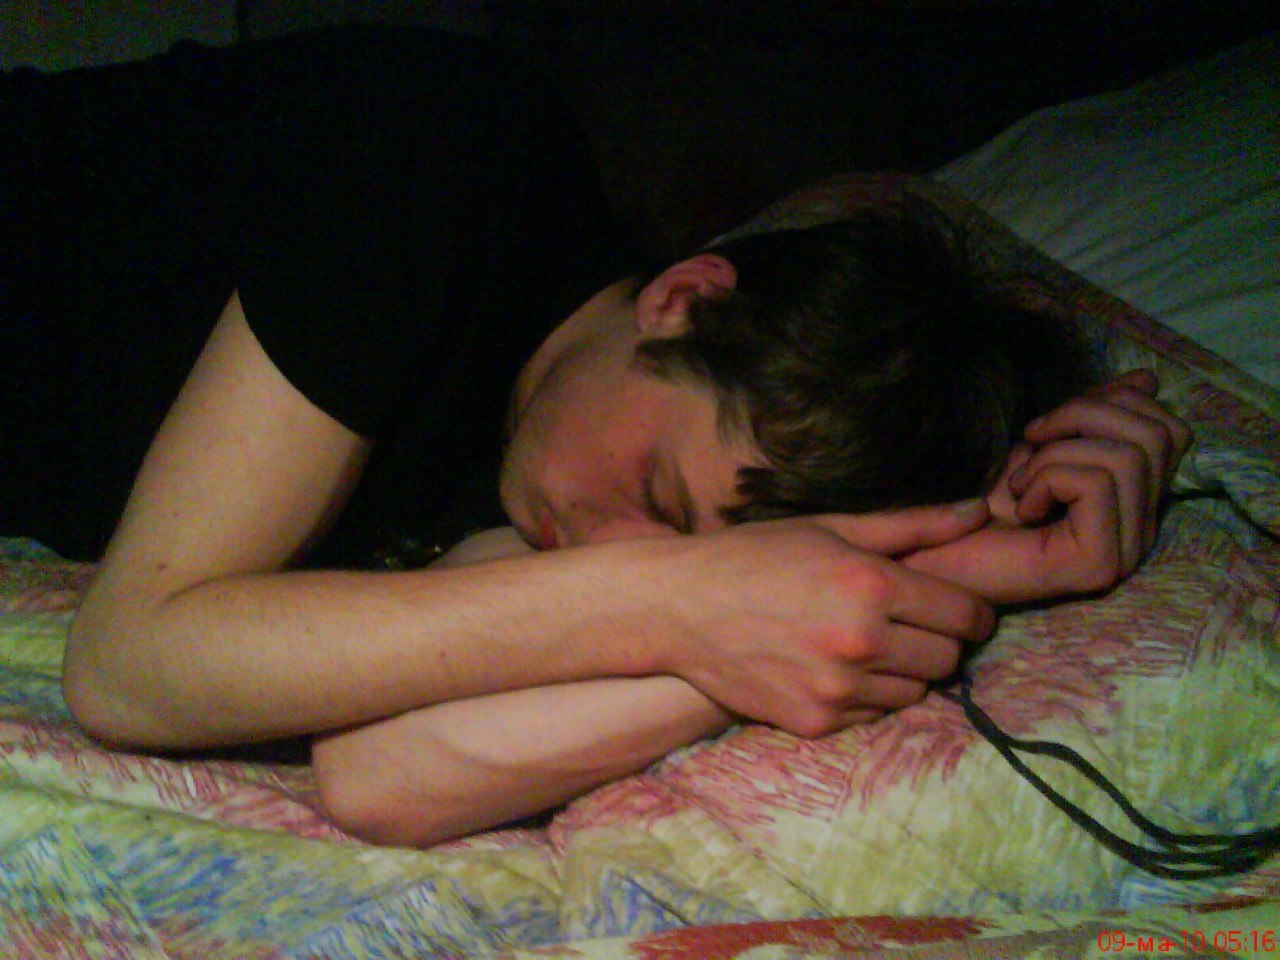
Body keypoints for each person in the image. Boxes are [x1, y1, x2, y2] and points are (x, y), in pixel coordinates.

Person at [0, 27, 1189, 846]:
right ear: (683, 298)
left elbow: (386, 774)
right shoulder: (443, 150)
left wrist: (933, 571)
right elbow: (129, 665)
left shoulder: (561, 479)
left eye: (687, 554)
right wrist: (681, 601)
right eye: (661, 497)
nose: (614, 553)